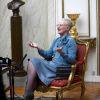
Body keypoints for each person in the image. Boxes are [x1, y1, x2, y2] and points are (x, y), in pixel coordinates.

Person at [23, 18, 77, 100]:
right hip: (52, 66)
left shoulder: (71, 41)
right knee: (32, 61)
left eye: (60, 25)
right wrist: (38, 47)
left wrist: (62, 53)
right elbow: (48, 55)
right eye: (57, 25)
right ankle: (28, 94)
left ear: (67, 28)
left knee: (33, 62)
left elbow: (72, 60)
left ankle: (27, 94)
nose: (58, 27)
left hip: (62, 69)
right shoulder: (56, 40)